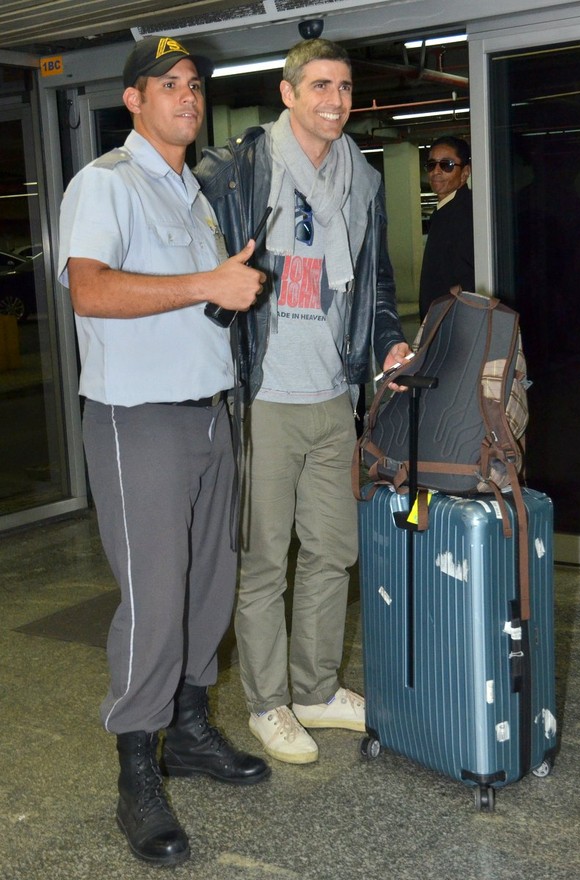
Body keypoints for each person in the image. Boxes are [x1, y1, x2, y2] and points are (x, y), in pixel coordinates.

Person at [57, 36, 271, 868]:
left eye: (194, 84)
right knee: (152, 600)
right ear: (134, 100)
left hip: (208, 414)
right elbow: (90, 289)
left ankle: (187, 731)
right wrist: (205, 284)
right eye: (168, 84)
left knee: (208, 586)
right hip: (137, 421)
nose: (187, 96)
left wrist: (223, 290)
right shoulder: (105, 183)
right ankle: (136, 776)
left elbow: (196, 298)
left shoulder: (193, 193)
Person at [195, 38, 410, 765]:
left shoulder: (363, 179)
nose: (335, 100)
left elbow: (373, 283)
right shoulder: (240, 167)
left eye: (345, 87)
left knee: (332, 551)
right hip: (265, 396)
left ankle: (316, 688)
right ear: (288, 95)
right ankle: (268, 704)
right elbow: (199, 266)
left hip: (334, 393)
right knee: (264, 561)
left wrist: (387, 344)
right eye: (320, 85)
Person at [418, 136, 475, 320]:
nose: (436, 171)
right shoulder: (444, 212)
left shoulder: (467, 213)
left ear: (465, 173)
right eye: (431, 164)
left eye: (447, 165)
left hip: (455, 322)